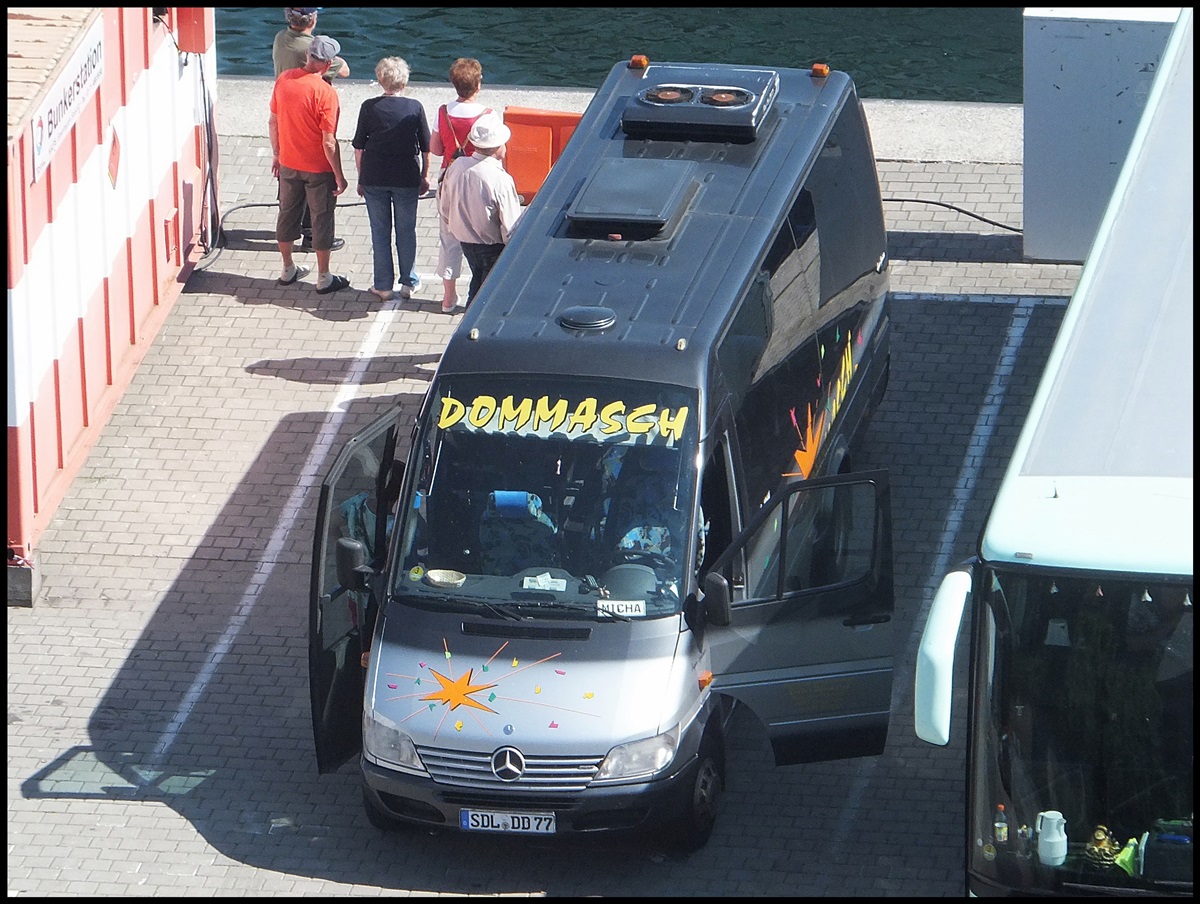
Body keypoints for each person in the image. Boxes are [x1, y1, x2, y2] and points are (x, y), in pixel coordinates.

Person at [268, 34, 350, 295]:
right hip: (318, 169)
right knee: (321, 219)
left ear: (308, 56)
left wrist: (276, 154)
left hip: (288, 163)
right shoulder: (326, 93)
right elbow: (329, 142)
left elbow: (272, 121)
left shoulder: (284, 80)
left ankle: (287, 268)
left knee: (287, 214)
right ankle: (324, 277)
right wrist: (340, 175)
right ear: (328, 63)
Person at [352, 57, 431, 302]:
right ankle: (409, 281)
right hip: (406, 176)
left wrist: (361, 176)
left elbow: (359, 147)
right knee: (406, 230)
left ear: (379, 80)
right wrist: (425, 175)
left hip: (374, 175)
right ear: (404, 82)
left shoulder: (368, 107)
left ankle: (383, 285)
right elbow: (426, 147)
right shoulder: (414, 107)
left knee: (380, 231)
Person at [438, 113, 524, 308]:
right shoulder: (500, 179)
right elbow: (511, 226)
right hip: (492, 246)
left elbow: (445, 205)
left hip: (466, 243)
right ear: (497, 147)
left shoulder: (457, 166)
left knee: (477, 281)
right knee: (486, 299)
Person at [430, 58, 491, 313]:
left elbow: (434, 149)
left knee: (448, 239)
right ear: (478, 85)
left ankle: (447, 297)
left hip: (449, 179)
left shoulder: (443, 112)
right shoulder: (488, 114)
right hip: (477, 178)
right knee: (483, 238)